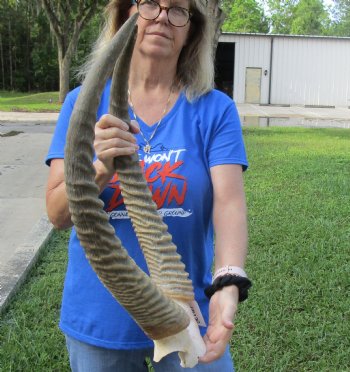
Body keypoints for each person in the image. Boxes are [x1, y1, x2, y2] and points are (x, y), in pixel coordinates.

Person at [45, 0, 250, 371]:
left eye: (178, 10)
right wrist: (102, 167)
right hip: (101, 319)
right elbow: (58, 214)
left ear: (192, 29)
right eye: (150, 4)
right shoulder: (82, 105)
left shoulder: (214, 108)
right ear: (127, 13)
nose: (162, 18)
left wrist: (229, 282)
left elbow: (229, 204)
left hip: (187, 311)